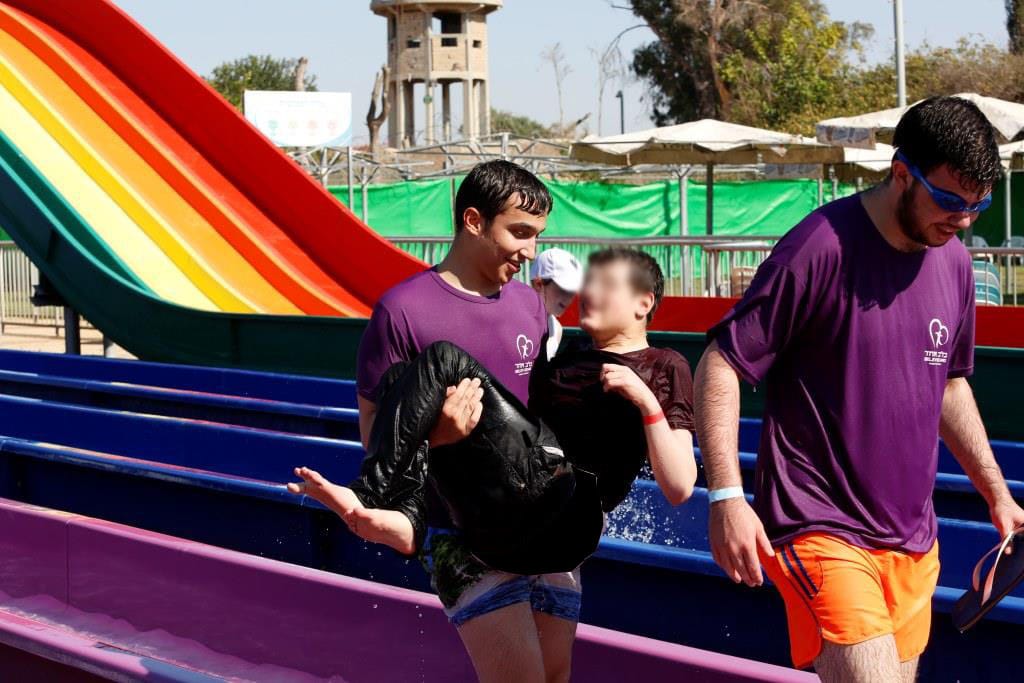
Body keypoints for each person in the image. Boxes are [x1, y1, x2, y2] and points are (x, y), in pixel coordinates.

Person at [693, 95, 1024, 683]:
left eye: (979, 205)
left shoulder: (953, 263)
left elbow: (949, 386)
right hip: (820, 524)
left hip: (913, 539)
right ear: (902, 174)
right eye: (951, 201)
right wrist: (726, 498)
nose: (965, 221)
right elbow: (720, 363)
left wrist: (995, 493)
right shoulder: (818, 247)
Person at [290, 248, 697, 682]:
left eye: (607, 285)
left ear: (643, 302)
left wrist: (646, 401)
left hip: (564, 506)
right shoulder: (567, 357)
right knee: (400, 383)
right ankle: (405, 509)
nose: (589, 293)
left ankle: (378, 496)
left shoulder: (663, 366)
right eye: (590, 283)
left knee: (443, 361)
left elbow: (680, 486)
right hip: (521, 510)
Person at [529, 247, 583, 359]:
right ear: (539, 284)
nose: (569, 298)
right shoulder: (513, 321)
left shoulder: (556, 329)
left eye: (573, 291)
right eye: (563, 289)